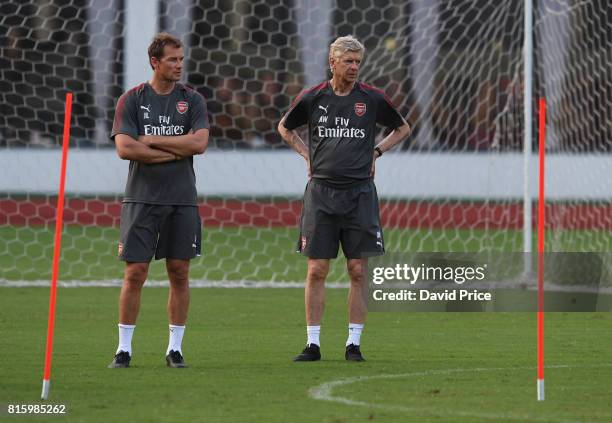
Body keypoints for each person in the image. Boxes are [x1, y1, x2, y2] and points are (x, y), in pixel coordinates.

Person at [277, 35, 411, 362]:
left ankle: (353, 343)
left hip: (360, 194)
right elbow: (284, 127)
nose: (353, 68)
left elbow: (403, 128)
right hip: (321, 193)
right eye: (348, 61)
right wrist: (306, 154)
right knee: (317, 270)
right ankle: (312, 344)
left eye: (357, 62)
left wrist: (377, 152)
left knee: (357, 270)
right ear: (332, 62)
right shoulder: (314, 98)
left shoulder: (372, 98)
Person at [108, 32, 209, 368]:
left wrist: (151, 141)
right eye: (172, 60)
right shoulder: (132, 99)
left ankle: (175, 349)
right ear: (155, 62)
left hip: (182, 200)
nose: (179, 65)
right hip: (141, 199)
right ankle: (124, 349)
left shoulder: (192, 100)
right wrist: (173, 149)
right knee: (135, 272)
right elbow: (125, 148)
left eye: (181, 59)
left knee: (179, 272)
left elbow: (199, 144)